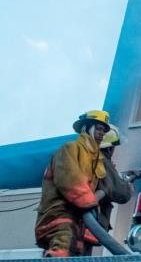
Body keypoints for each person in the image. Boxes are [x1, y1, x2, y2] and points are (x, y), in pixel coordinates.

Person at [34, 110, 110, 257]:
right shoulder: (70, 148)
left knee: (75, 250)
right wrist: (91, 204)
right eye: (99, 129)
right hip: (58, 213)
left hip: (78, 217)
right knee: (63, 245)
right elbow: (70, 180)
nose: (102, 134)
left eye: (104, 131)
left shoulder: (95, 159)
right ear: (86, 128)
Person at [95, 125, 135, 233]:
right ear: (109, 147)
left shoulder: (89, 157)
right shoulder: (101, 160)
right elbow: (122, 194)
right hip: (87, 226)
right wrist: (128, 185)